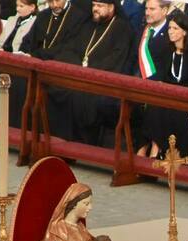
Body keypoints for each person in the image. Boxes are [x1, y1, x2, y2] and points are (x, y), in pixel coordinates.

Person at [53, 0, 136, 144]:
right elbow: (69, 49)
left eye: (100, 6)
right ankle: (56, 140)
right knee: (57, 88)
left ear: (111, 8)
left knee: (79, 96)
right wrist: (78, 68)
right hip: (77, 75)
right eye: (94, 5)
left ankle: (79, 144)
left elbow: (116, 60)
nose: (95, 9)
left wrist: (88, 70)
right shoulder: (89, 24)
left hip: (100, 82)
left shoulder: (122, 29)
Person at [141, 10, 188, 160]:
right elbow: (162, 76)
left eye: (175, 29)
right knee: (154, 106)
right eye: (169, 28)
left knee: (175, 112)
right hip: (170, 96)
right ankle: (156, 150)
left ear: (184, 32)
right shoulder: (167, 50)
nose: (171, 32)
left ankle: (175, 155)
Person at [18, 0, 89, 61]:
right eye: (50, 1)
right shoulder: (43, 15)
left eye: (58, 0)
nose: (55, 5)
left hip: (58, 63)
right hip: (35, 61)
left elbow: (68, 47)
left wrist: (37, 55)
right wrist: (23, 53)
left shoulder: (79, 17)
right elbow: (28, 40)